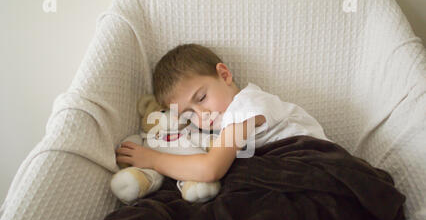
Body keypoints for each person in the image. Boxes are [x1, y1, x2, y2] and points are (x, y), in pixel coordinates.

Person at [115, 43, 330, 182]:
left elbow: (210, 169)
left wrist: (153, 160)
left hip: (316, 167)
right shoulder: (220, 126)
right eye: (188, 114)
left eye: (201, 98)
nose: (201, 115)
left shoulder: (244, 106)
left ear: (224, 75)